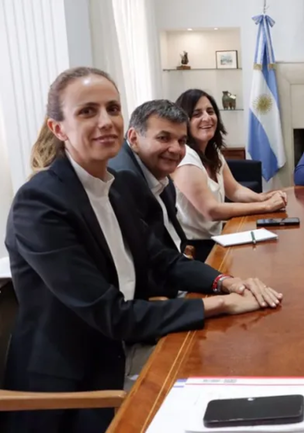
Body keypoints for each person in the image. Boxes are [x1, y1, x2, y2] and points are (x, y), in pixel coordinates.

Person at [2, 67, 283, 433]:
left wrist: (226, 282)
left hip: (131, 351)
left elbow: (161, 259)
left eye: (113, 108)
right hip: (80, 389)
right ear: (59, 128)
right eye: (88, 111)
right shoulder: (39, 204)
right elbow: (110, 315)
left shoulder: (117, 187)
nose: (106, 121)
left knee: (256, 368)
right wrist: (219, 305)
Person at [172, 89, 288, 260]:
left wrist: (264, 197)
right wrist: (266, 207)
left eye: (210, 111)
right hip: (195, 249)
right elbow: (212, 210)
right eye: (197, 114)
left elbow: (234, 190)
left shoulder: (213, 151)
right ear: (184, 122)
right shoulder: (186, 157)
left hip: (217, 238)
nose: (207, 118)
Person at [109, 100, 188, 257]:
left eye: (181, 141)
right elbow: (150, 258)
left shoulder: (162, 176)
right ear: (133, 138)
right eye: (164, 138)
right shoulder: (124, 179)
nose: (176, 149)